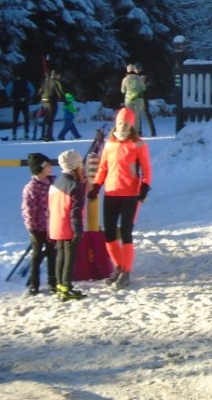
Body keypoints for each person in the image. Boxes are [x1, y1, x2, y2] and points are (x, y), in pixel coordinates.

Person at [88, 107, 151, 290]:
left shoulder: (138, 144)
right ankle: (118, 267)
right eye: (120, 123)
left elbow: (146, 168)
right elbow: (103, 168)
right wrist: (96, 186)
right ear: (116, 124)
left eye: (126, 124)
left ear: (131, 125)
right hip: (111, 192)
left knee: (125, 232)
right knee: (109, 233)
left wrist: (145, 186)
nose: (123, 126)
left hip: (130, 193)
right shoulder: (109, 144)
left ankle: (126, 272)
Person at [49, 149, 85, 301]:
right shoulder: (74, 185)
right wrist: (78, 230)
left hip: (56, 225)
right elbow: (75, 211)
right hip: (68, 227)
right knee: (69, 259)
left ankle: (59, 286)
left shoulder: (56, 183)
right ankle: (66, 287)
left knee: (60, 257)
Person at [21, 152, 57, 296]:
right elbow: (28, 209)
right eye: (47, 166)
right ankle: (34, 283)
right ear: (40, 169)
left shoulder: (53, 183)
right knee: (37, 255)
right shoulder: (31, 187)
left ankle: (53, 281)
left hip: (51, 225)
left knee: (52, 253)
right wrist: (32, 228)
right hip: (37, 227)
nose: (50, 168)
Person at [120, 63, 155, 137]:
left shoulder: (126, 79)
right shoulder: (139, 78)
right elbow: (144, 88)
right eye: (136, 69)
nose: (137, 70)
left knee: (135, 115)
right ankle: (139, 132)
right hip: (139, 98)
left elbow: (123, 90)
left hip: (131, 99)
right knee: (138, 115)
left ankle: (135, 132)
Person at [39, 70, 65, 142]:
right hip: (51, 102)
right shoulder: (56, 82)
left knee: (46, 118)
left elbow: (40, 91)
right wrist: (63, 99)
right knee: (50, 119)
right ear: (56, 75)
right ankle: (48, 136)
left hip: (44, 101)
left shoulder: (46, 81)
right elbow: (59, 93)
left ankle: (43, 134)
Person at [6, 76, 35, 141]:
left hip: (15, 102)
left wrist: (10, 97)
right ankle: (26, 133)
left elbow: (7, 89)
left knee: (15, 118)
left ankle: (14, 134)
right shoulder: (26, 82)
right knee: (26, 118)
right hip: (25, 102)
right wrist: (29, 97)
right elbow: (32, 90)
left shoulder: (12, 82)